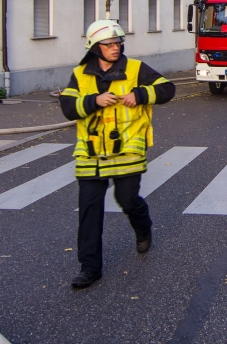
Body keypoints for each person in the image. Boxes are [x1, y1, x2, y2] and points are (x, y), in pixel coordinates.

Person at [59, 20, 175, 289]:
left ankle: (143, 227)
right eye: (109, 44)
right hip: (91, 154)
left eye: (118, 43)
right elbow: (68, 107)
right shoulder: (80, 74)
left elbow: (167, 88)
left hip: (127, 150)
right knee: (89, 210)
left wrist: (141, 94)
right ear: (94, 47)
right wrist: (94, 101)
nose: (116, 47)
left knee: (127, 199)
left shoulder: (135, 69)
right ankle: (89, 268)